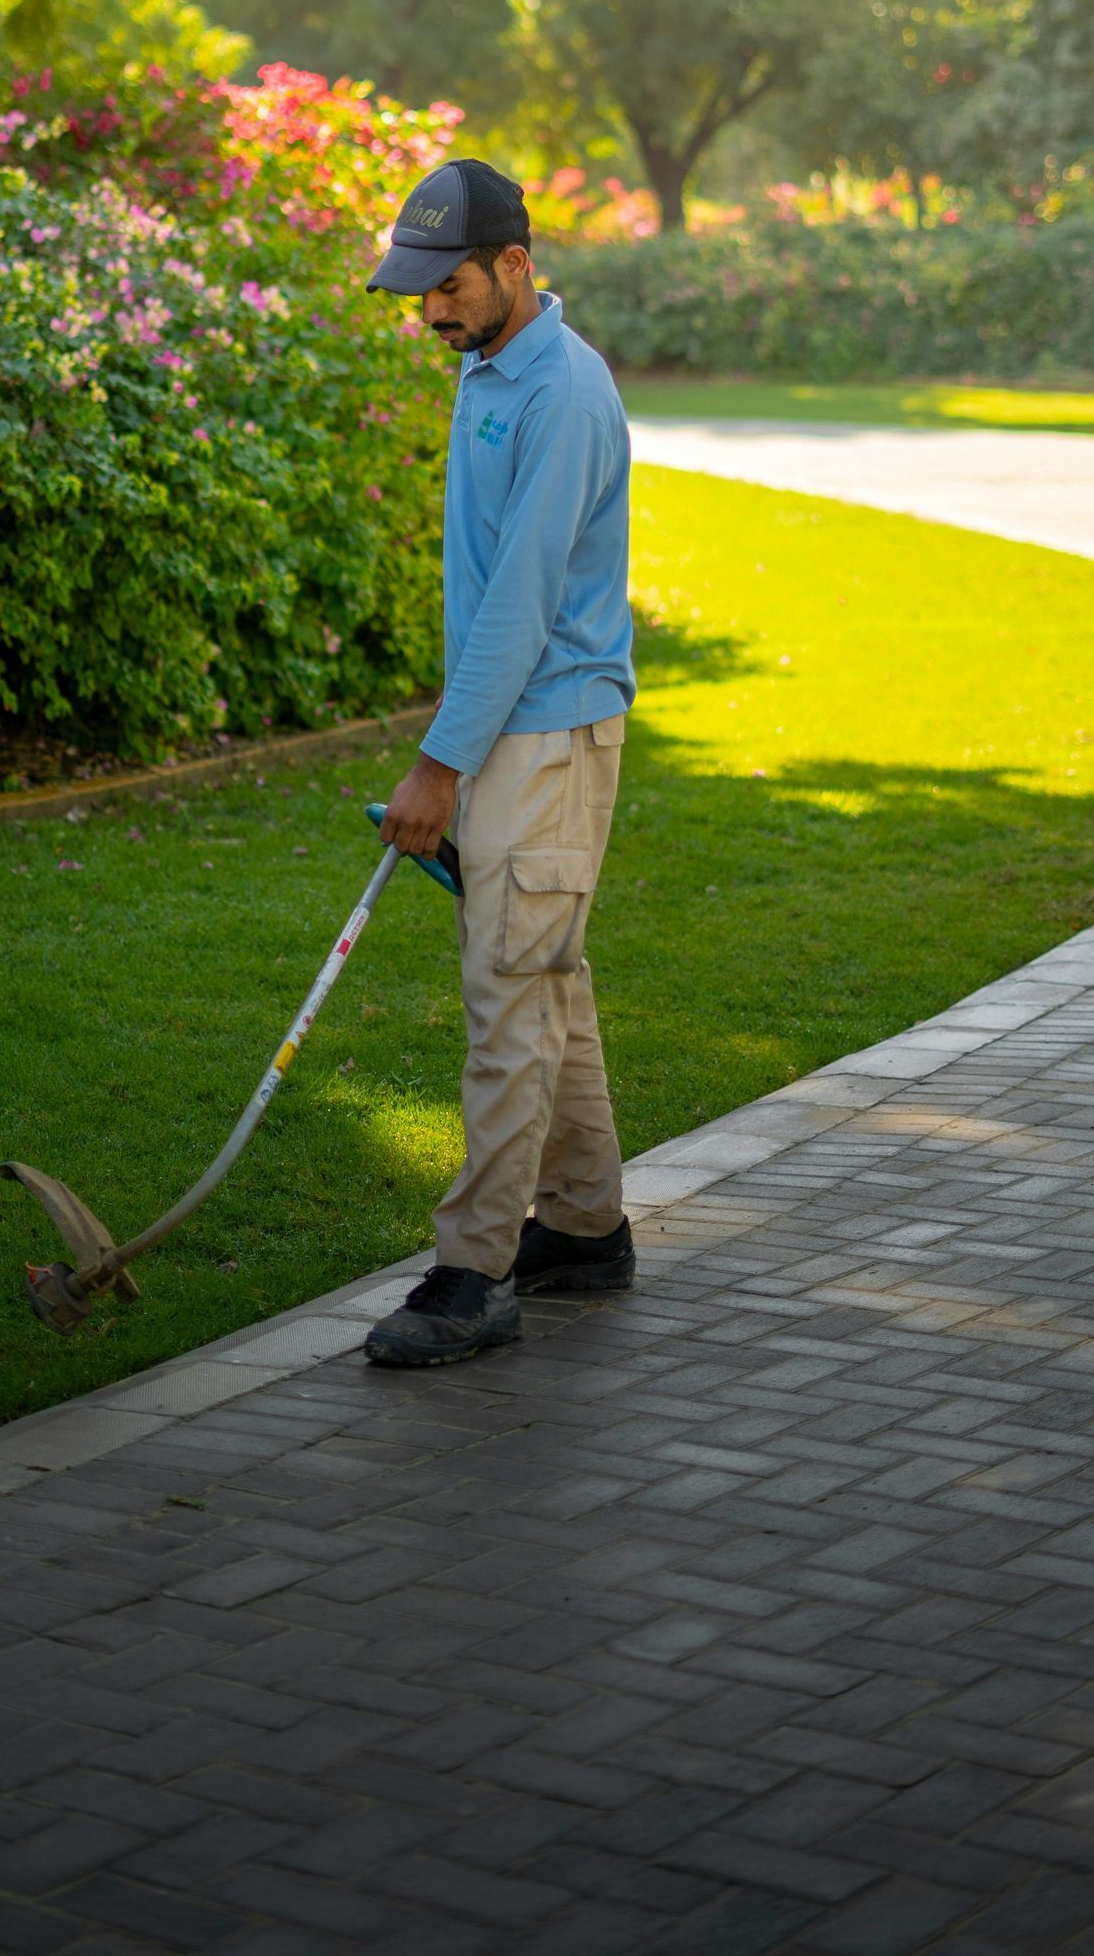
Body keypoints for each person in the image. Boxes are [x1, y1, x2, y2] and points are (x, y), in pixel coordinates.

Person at [361, 157, 636, 1367]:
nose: (432, 312)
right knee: (544, 975)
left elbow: (522, 605)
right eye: (421, 291)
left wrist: (440, 765)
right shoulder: (489, 368)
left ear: (517, 268)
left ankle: (473, 1274)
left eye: (450, 286)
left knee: (506, 998)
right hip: (511, 726)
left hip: (551, 726)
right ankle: (582, 1227)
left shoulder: (563, 394)